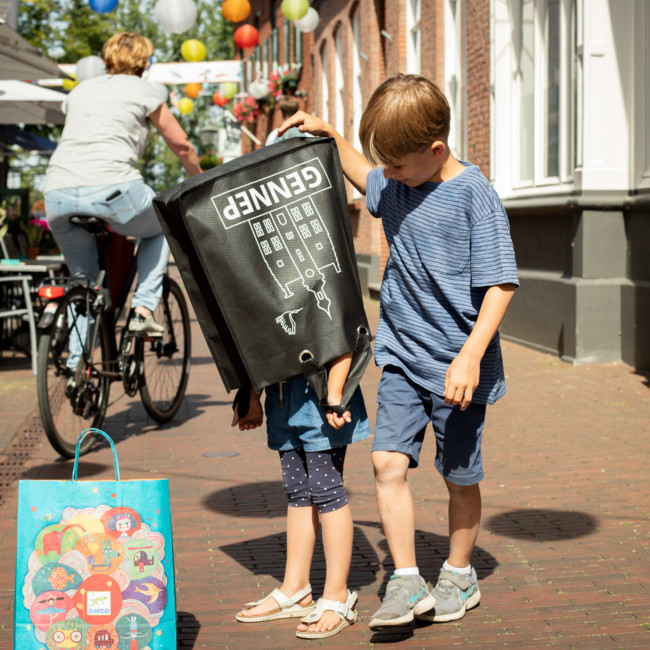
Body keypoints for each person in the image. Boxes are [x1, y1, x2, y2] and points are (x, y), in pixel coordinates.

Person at [279, 73, 519, 629]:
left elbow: (501, 284)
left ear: (436, 150)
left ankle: (459, 572)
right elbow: (363, 172)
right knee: (387, 462)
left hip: (459, 364)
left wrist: (471, 355)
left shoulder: (473, 196)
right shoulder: (400, 180)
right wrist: (330, 133)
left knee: (459, 474)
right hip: (403, 354)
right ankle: (407, 580)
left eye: (399, 166)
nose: (387, 178)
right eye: (385, 165)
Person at [44, 32, 201, 358]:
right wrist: (199, 179)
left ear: (109, 58)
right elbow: (181, 144)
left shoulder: (80, 90)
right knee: (161, 225)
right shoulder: (146, 89)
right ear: (144, 62)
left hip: (57, 193)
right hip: (113, 189)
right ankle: (143, 312)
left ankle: (78, 367)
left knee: (84, 282)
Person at [233, 349, 368, 639]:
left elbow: (341, 330)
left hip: (320, 395)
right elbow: (250, 330)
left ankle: (337, 596)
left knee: (326, 489)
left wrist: (334, 393)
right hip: (282, 399)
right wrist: (251, 394)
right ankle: (295, 589)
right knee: (297, 491)